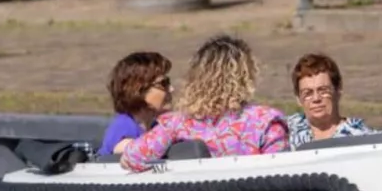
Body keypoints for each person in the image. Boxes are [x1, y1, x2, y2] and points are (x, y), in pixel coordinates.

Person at [120, 35, 289, 172]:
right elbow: (282, 174)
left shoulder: (178, 124)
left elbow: (132, 158)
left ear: (196, 77)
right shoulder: (266, 121)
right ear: (246, 76)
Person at [286, 53, 374, 148]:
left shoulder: (362, 138)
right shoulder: (284, 132)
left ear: (338, 90)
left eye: (323, 91)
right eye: (308, 93)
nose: (316, 99)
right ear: (298, 98)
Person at [96, 51, 172, 157]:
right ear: (138, 90)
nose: (171, 89)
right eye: (163, 84)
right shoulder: (123, 127)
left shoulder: (154, 126)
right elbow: (133, 153)